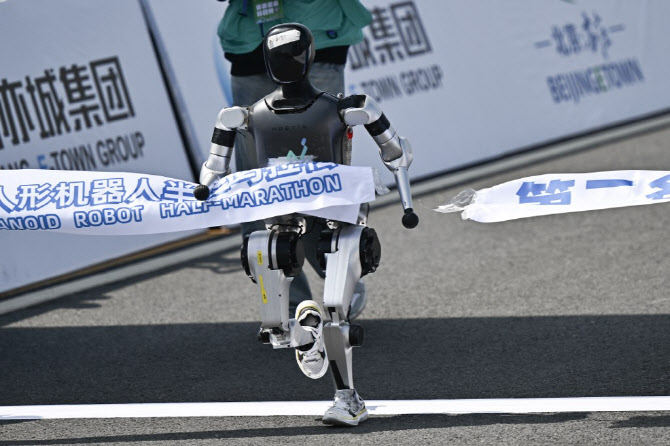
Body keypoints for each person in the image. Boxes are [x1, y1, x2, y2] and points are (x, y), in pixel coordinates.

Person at [195, 23, 418, 426]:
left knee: (337, 310)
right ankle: (306, 335)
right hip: (279, 219)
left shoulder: (342, 108)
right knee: (275, 324)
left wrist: (404, 194)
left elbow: (396, 152)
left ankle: (347, 398)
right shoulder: (248, 115)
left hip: (337, 219)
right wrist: (205, 192)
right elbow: (212, 168)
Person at [216, 0, 372, 317]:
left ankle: (341, 279)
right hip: (250, 46)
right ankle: (290, 307)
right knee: (256, 186)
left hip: (318, 40)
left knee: (318, 182)